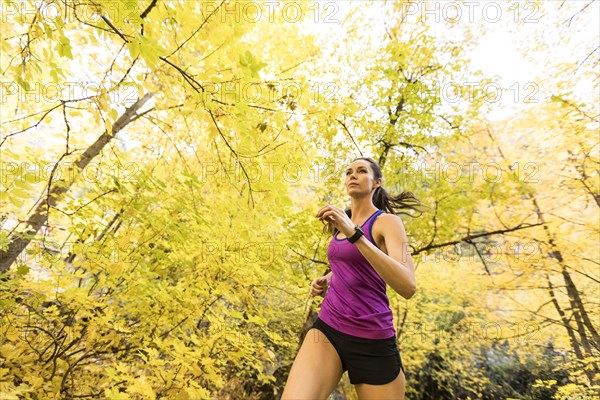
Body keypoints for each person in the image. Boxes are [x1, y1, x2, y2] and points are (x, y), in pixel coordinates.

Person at [281, 156, 426, 400]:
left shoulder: (387, 223)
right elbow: (352, 265)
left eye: (361, 171)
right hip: (329, 328)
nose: (353, 175)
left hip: (372, 338)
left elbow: (408, 285)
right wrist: (327, 278)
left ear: (376, 182)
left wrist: (354, 234)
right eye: (349, 172)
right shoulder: (342, 224)